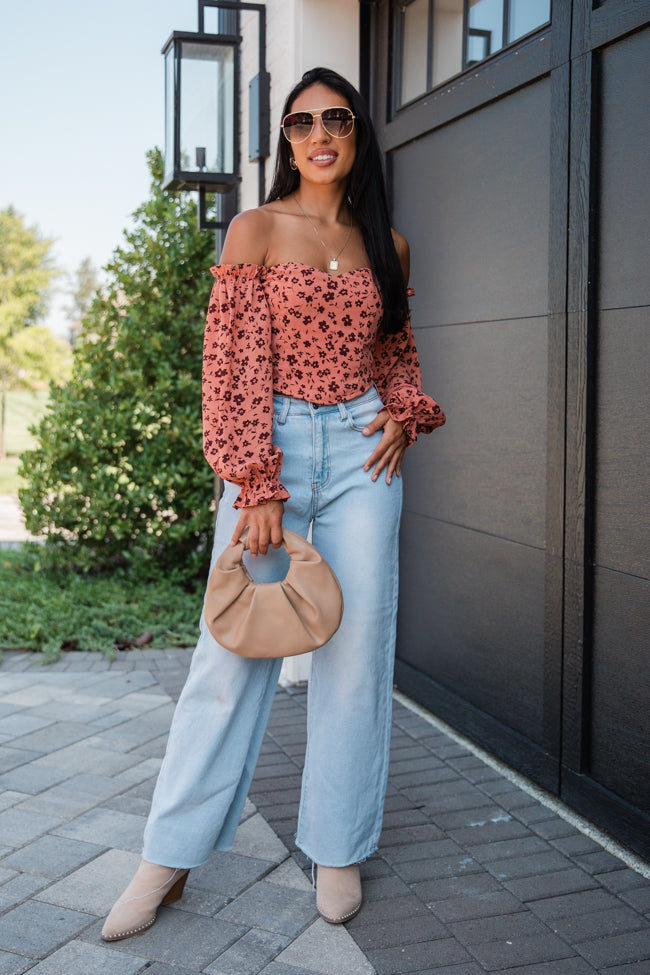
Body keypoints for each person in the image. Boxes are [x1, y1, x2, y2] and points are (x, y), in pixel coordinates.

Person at [102, 66, 445, 941]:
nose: (317, 135)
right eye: (300, 124)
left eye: (336, 119)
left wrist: (405, 413)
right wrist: (254, 481)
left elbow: (396, 354)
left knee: (357, 651)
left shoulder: (388, 245)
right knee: (230, 654)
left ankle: (338, 847)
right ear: (285, 139)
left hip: (363, 458)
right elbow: (229, 363)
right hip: (276, 446)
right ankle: (167, 857)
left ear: (359, 132)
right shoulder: (255, 230)